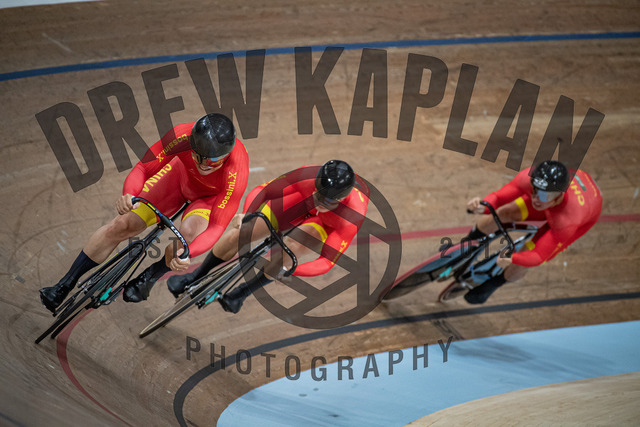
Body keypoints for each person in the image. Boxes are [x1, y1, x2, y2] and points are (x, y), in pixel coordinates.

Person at [39, 113, 249, 312]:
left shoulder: (236, 170)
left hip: (209, 200)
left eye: (211, 161)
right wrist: (129, 194)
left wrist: (188, 253)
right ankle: (64, 284)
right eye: (197, 156)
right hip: (177, 179)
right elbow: (143, 168)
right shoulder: (181, 136)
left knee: (188, 236)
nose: (202, 165)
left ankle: (151, 275)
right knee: (122, 225)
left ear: (225, 156)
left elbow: (216, 227)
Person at [166, 160, 370, 314]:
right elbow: (263, 191)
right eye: (318, 195)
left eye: (328, 201)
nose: (320, 203)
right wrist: (248, 213)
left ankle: (242, 292)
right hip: (301, 200)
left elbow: (326, 261)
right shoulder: (306, 177)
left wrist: (293, 270)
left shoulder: (351, 217)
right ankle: (196, 275)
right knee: (244, 231)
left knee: (292, 249)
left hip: (326, 223)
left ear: (342, 199)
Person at [462, 160, 602, 304]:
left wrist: (513, 258)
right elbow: (498, 198)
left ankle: (495, 283)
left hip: (571, 217)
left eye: (544, 195)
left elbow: (538, 255)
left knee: (527, 253)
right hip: (556, 205)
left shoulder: (568, 221)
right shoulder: (528, 179)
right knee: (504, 213)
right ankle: (466, 246)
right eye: (534, 191)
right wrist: (482, 206)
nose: (536, 199)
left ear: (559, 196)